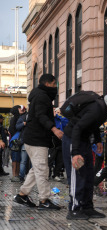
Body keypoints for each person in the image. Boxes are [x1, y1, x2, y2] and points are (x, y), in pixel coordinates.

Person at [62, 86, 107, 220]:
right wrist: (75, 153)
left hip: (84, 141)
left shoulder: (104, 107)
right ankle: (74, 209)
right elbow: (77, 128)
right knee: (77, 175)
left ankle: (87, 207)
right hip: (73, 140)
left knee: (88, 175)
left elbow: (93, 125)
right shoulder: (96, 109)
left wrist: (97, 140)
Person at [14, 74, 63, 210]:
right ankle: (44, 200)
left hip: (34, 138)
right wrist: (54, 129)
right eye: (54, 85)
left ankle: (22, 195)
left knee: (37, 168)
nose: (55, 88)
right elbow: (41, 116)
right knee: (42, 169)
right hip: (37, 139)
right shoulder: (42, 97)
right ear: (48, 84)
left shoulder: (38, 95)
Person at [49, 108, 68, 182]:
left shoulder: (62, 119)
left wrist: (58, 116)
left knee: (60, 159)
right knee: (51, 158)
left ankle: (56, 174)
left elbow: (66, 122)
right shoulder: (52, 119)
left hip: (61, 139)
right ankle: (48, 174)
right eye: (56, 112)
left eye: (59, 112)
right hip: (53, 139)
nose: (57, 113)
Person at [9, 105, 26, 182]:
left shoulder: (19, 118)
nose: (21, 109)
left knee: (18, 159)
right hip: (15, 141)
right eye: (19, 108)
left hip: (17, 141)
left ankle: (17, 175)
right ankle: (15, 175)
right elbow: (13, 130)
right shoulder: (14, 119)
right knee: (15, 159)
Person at [16, 111, 29, 182]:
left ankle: (22, 177)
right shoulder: (23, 118)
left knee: (23, 161)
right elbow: (17, 127)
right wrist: (23, 124)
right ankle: (22, 177)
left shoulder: (22, 117)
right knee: (25, 161)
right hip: (28, 142)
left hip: (26, 142)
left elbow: (17, 127)